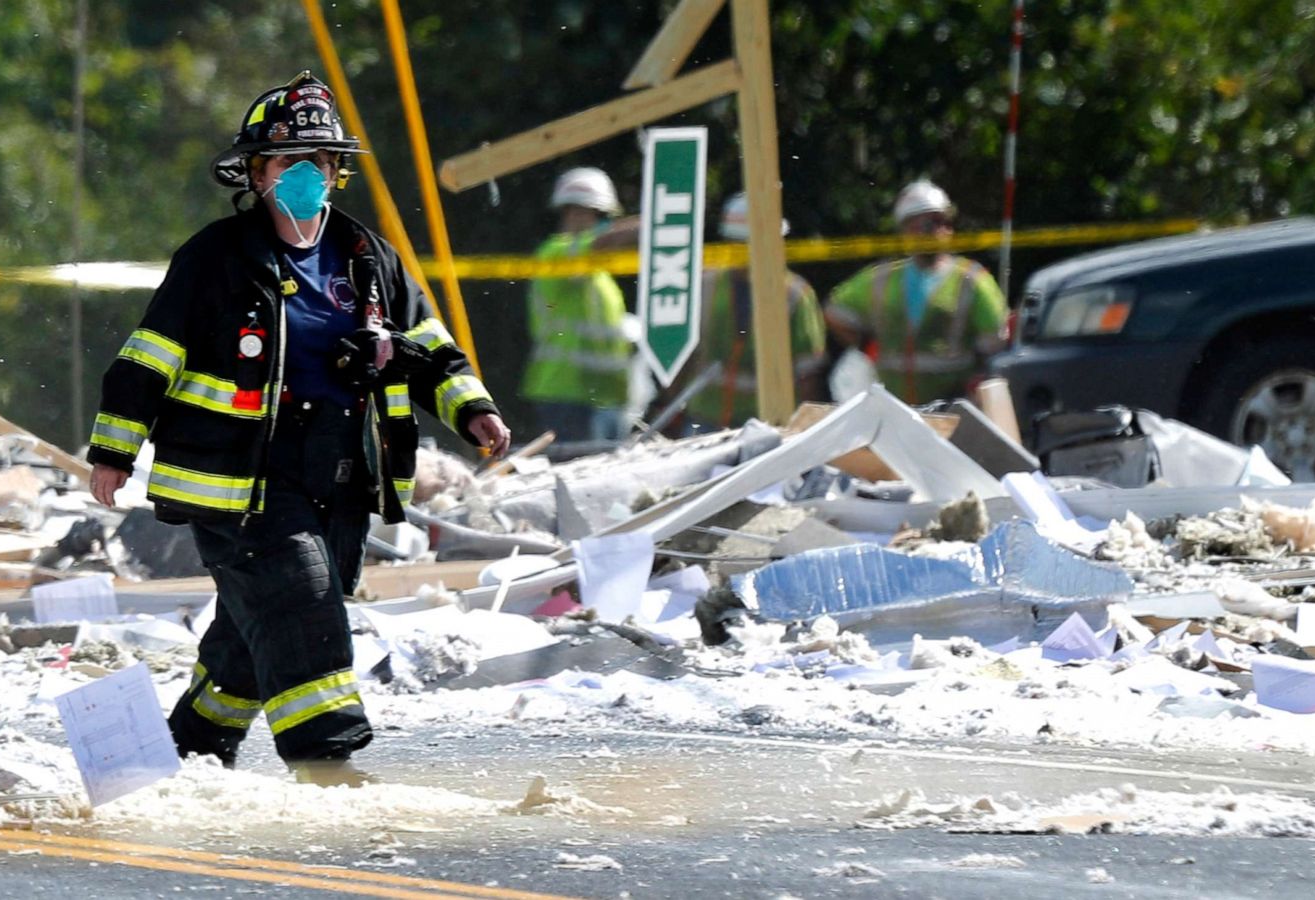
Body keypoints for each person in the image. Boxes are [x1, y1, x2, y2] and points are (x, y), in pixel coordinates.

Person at [85, 71, 509, 786]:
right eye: (287, 161)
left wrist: (473, 407)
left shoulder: (369, 259)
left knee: (257, 634)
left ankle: (187, 751)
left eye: (319, 161)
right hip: (241, 481)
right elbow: (148, 356)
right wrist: (114, 450)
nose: (304, 174)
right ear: (256, 172)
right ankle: (326, 761)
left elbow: (430, 344)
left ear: (337, 173)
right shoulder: (217, 259)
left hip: (340, 476)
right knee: (301, 604)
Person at [825, 179, 1008, 405]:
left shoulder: (971, 280)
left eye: (938, 222)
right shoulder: (882, 278)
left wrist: (978, 380)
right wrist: (867, 346)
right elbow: (836, 311)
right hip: (895, 405)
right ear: (905, 229)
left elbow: (995, 343)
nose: (930, 231)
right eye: (919, 224)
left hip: (955, 404)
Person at [663, 192, 827, 433]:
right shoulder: (704, 285)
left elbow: (808, 373)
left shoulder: (795, 294)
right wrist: (671, 408)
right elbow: (682, 356)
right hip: (705, 418)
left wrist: (801, 430)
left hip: (767, 424)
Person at [518, 166, 639, 443]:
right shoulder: (555, 255)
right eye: (597, 217)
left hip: (604, 398)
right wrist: (657, 221)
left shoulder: (600, 278)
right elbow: (606, 241)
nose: (601, 225)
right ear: (573, 213)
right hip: (566, 395)